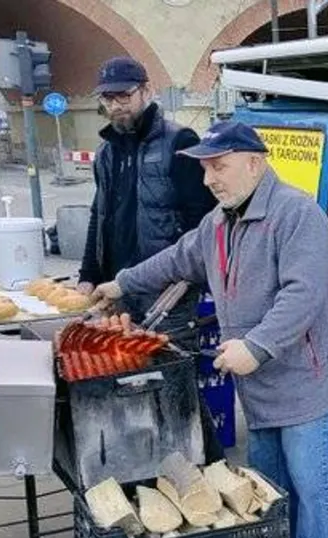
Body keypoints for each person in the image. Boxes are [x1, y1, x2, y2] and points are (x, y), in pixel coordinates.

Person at [90, 121, 328, 538]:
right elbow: (176, 260)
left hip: (308, 378)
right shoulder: (219, 222)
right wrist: (119, 282)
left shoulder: (296, 214)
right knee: (270, 486)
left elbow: (303, 294)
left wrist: (256, 346)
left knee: (315, 484)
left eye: (219, 166)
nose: (209, 178)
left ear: (254, 162)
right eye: (205, 168)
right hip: (260, 386)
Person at [76, 56, 216, 345]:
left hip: (167, 292)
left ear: (146, 92)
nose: (116, 105)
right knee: (128, 373)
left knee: (170, 368)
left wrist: (184, 281)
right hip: (117, 289)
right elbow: (98, 216)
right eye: (107, 97)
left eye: (125, 95)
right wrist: (88, 274)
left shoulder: (180, 141)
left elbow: (201, 221)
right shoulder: (105, 153)